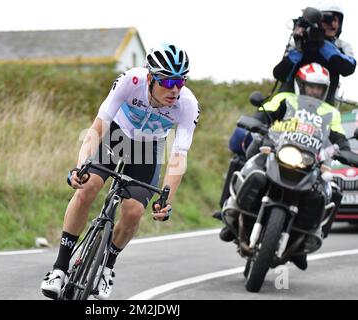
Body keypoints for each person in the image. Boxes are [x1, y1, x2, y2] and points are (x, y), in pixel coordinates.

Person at [40, 43, 200, 300]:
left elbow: (179, 157)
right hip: (117, 135)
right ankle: (59, 268)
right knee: (88, 186)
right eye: (168, 82)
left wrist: (165, 200)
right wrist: (81, 165)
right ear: (151, 78)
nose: (176, 89)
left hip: (149, 147)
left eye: (180, 81)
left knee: (134, 210)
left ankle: (107, 268)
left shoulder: (187, 104)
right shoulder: (131, 80)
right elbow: (99, 125)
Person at [219, 63, 351, 271]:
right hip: (277, 148)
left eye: (319, 88)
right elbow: (265, 114)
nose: (315, 91)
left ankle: (305, 241)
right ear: (300, 85)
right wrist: (256, 121)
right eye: (311, 86)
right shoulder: (285, 99)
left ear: (325, 90)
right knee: (252, 168)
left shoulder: (331, 112)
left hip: (310, 160)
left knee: (330, 191)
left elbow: (339, 137)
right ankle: (232, 212)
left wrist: (346, 151)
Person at [273, 1, 356, 105]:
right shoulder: (300, 42)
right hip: (289, 109)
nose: (334, 24)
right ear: (316, 21)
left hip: (324, 111)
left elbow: (348, 68)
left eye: (337, 20)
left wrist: (322, 45)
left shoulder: (342, 46)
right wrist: (299, 49)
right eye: (328, 20)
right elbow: (280, 75)